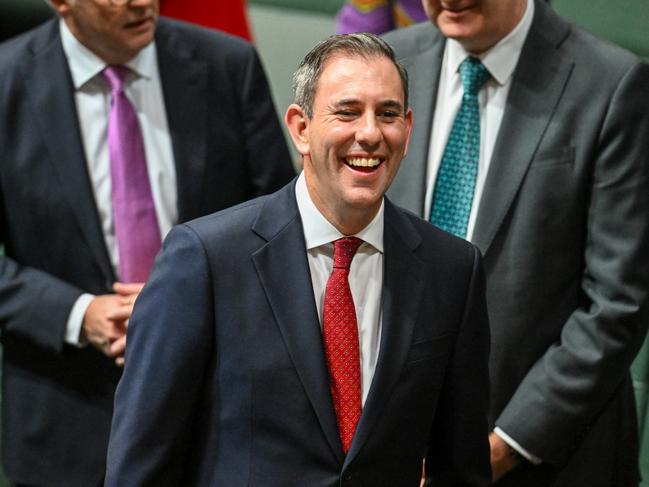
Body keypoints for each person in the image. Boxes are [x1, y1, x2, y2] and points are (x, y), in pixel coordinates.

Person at [105, 33, 491, 486]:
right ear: (301, 128)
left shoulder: (453, 270)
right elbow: (140, 466)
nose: (369, 133)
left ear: (407, 130)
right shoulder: (206, 258)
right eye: (347, 112)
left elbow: (462, 469)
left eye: (387, 114)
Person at [0, 0, 294, 484]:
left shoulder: (227, 65)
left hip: (216, 411)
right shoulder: (6, 83)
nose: (141, 2)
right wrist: (78, 314)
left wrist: (191, 298)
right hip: (66, 420)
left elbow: (280, 229)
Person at [384, 0, 649, 485]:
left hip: (542, 458)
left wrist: (500, 448)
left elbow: (617, 305)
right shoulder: (386, 64)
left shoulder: (612, 84)